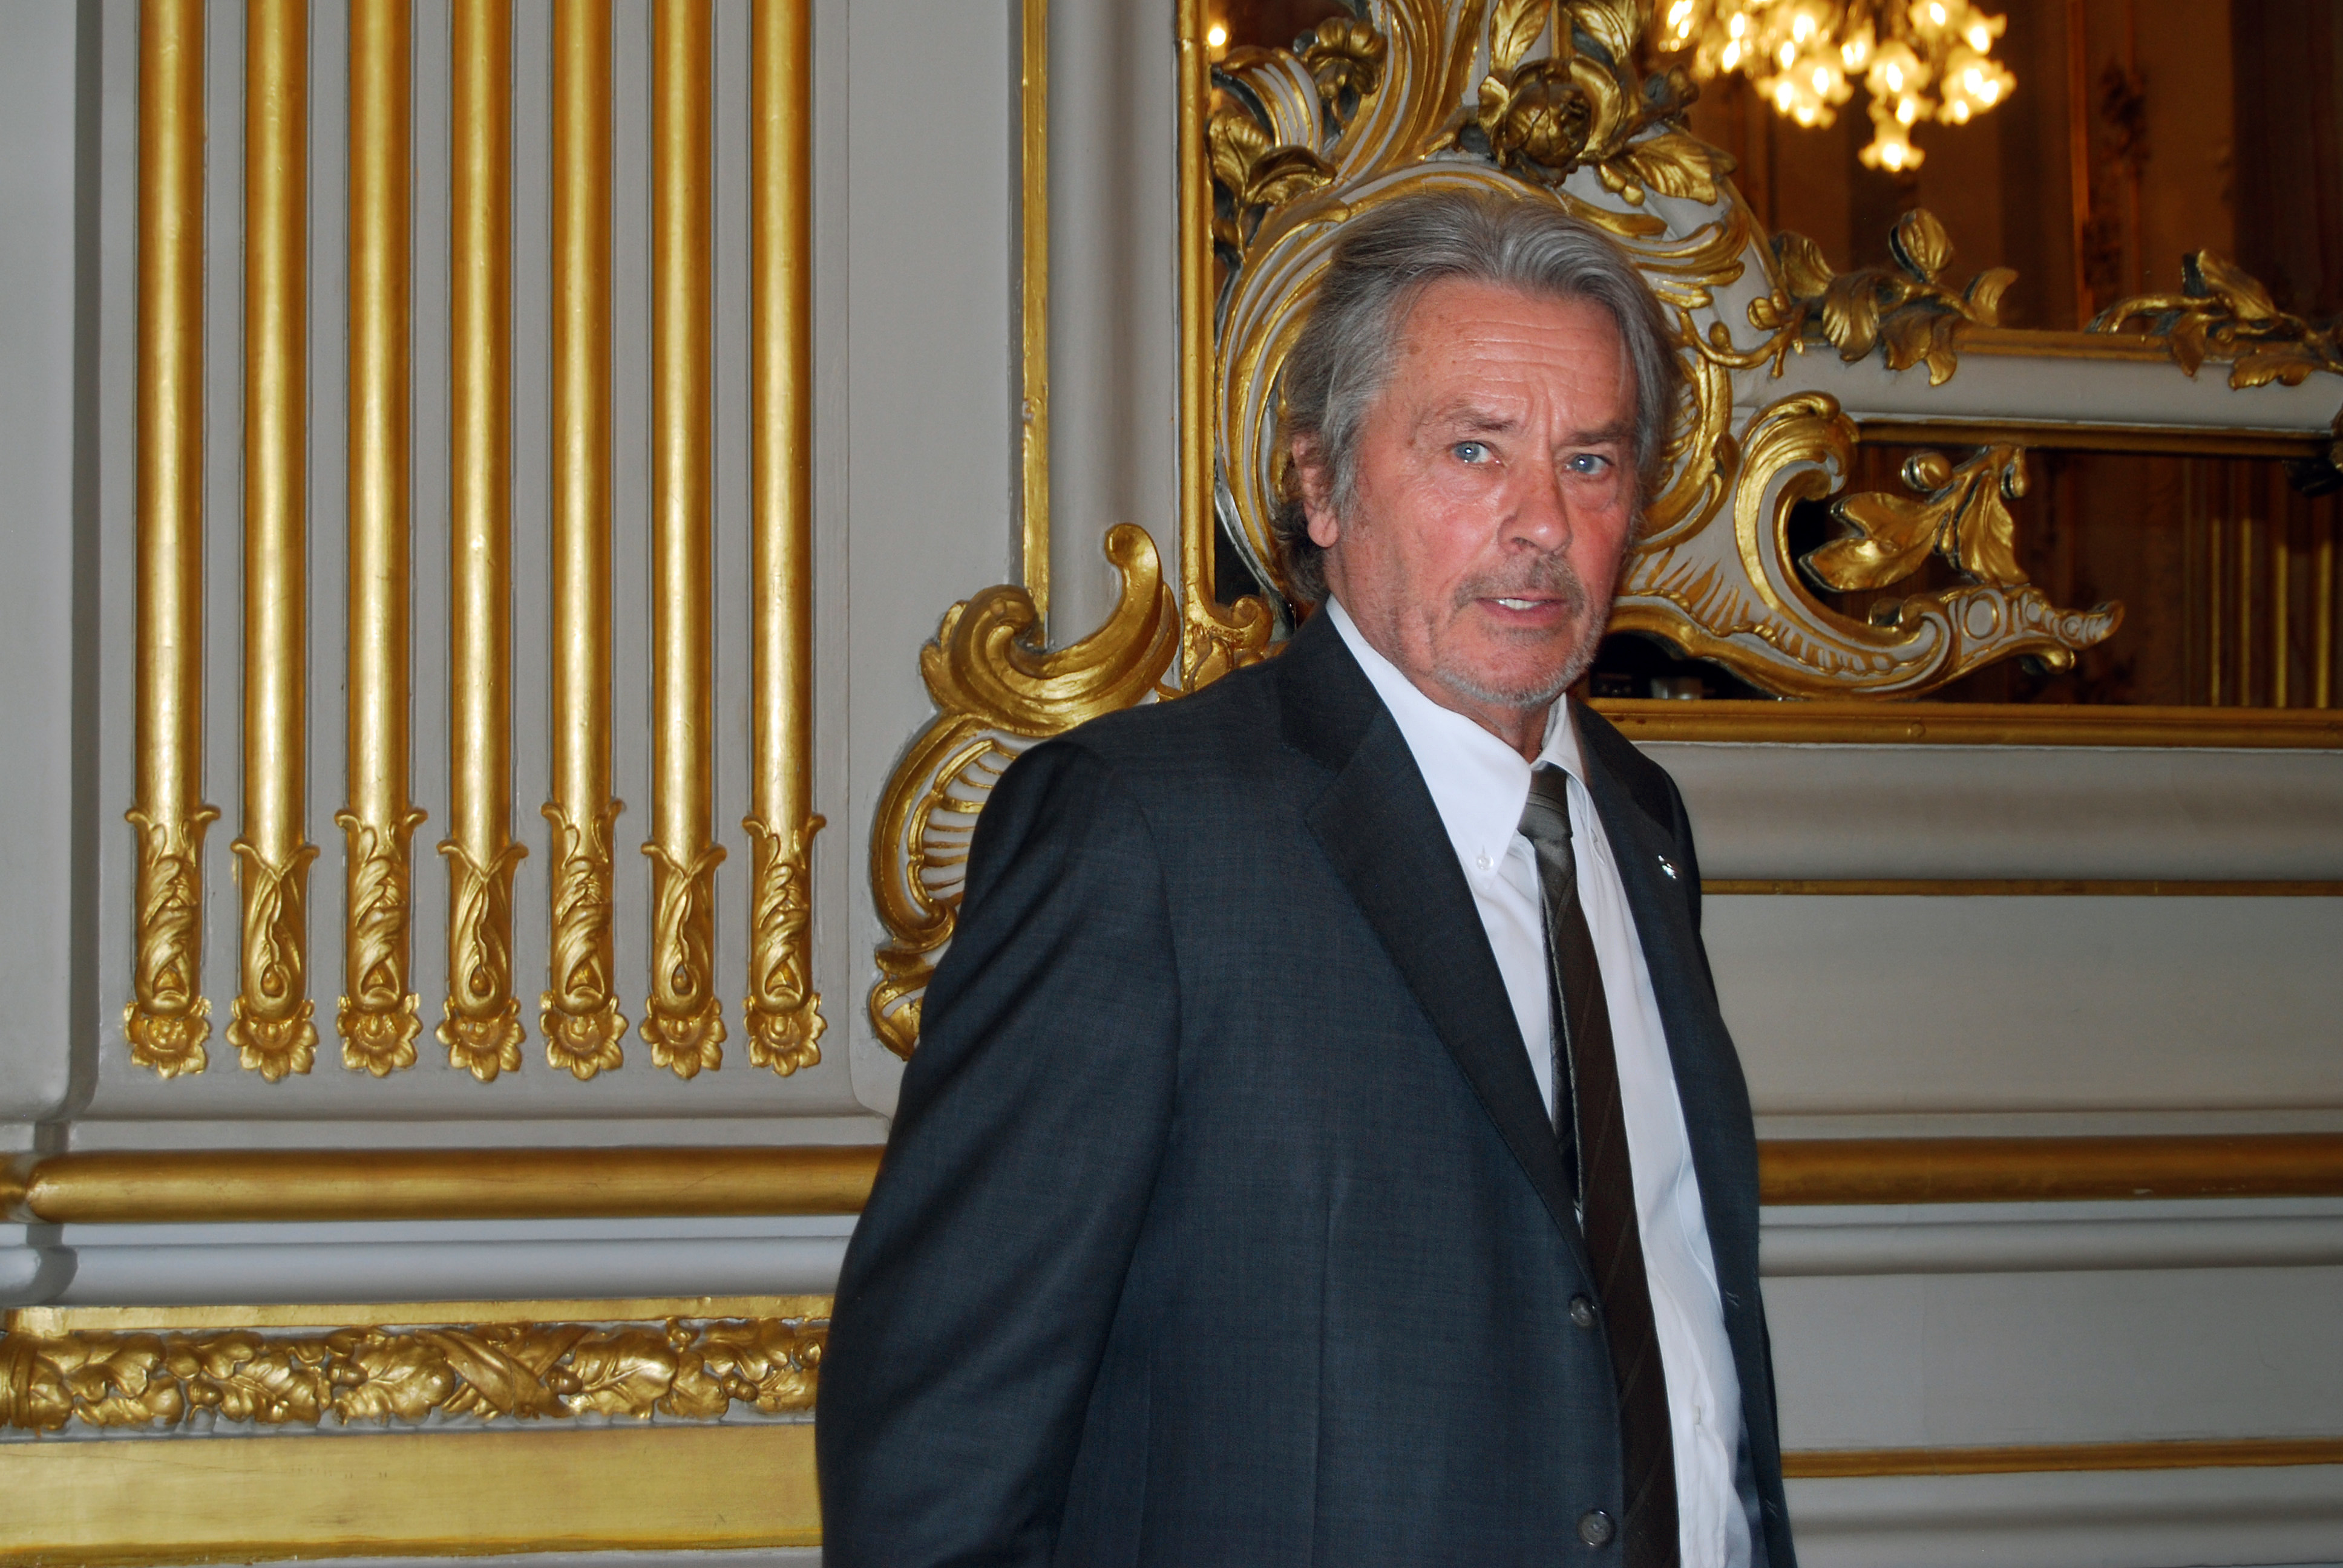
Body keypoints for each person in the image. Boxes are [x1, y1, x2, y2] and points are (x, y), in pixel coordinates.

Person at [818, 186, 1796, 1568]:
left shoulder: (1638, 824)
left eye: (1590, 462)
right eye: (1472, 450)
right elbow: (938, 1462)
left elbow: (1670, 1335)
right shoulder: (1139, 837)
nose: (1539, 524)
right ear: (1319, 485)